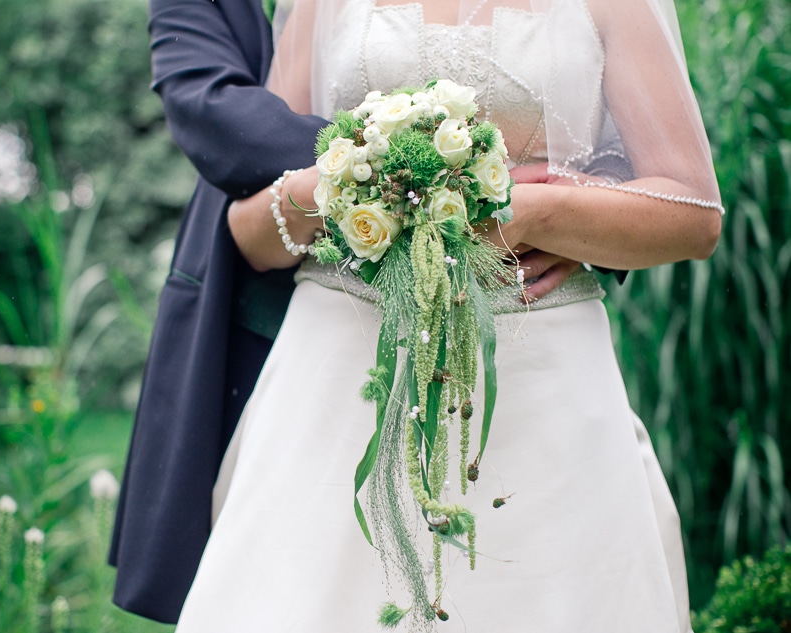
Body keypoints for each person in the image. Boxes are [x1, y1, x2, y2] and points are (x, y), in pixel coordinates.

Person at [172, 0, 723, 631]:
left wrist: (538, 215)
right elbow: (249, 230)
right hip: (334, 381)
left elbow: (695, 217)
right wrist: (343, 189)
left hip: (540, 376)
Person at [109, 0, 583, 625]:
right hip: (289, 312)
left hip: (515, 325)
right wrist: (419, 165)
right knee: (295, 572)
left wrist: (581, 216)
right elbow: (212, 108)